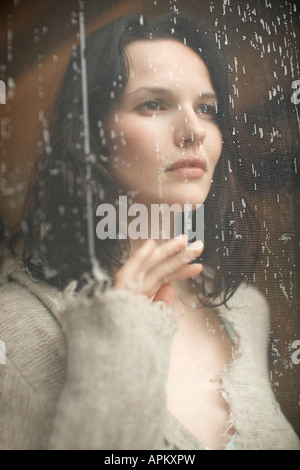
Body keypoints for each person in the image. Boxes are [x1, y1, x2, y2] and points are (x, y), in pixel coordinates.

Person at [0, 11, 299, 451]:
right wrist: (120, 334)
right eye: (153, 104)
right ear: (91, 137)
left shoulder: (245, 310)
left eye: (207, 109)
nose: (194, 130)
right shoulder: (16, 328)